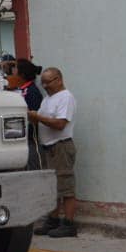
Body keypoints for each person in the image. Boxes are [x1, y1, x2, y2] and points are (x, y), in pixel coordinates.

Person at [29, 67, 77, 237]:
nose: (45, 85)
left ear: (59, 80)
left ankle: (70, 224)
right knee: (52, 187)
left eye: (48, 82)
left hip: (60, 147)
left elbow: (60, 124)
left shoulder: (66, 97)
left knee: (66, 187)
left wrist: (37, 117)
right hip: (48, 147)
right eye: (43, 82)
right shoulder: (48, 99)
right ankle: (53, 220)